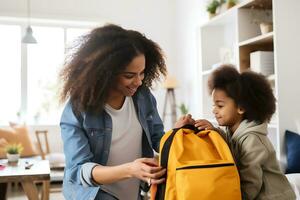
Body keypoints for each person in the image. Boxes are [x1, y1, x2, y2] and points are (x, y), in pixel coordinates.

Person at [59, 24, 168, 200]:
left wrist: (179, 134)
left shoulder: (143, 97)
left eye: (141, 73)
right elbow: (78, 170)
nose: (138, 82)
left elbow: (158, 138)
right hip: (94, 195)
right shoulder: (78, 109)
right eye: (129, 75)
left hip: (134, 193)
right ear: (105, 73)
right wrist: (131, 169)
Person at [191, 65, 296, 200]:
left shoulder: (253, 140)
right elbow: (231, 144)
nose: (214, 110)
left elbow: (251, 183)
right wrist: (215, 131)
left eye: (220, 106)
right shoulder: (232, 131)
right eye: (213, 105)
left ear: (241, 107)